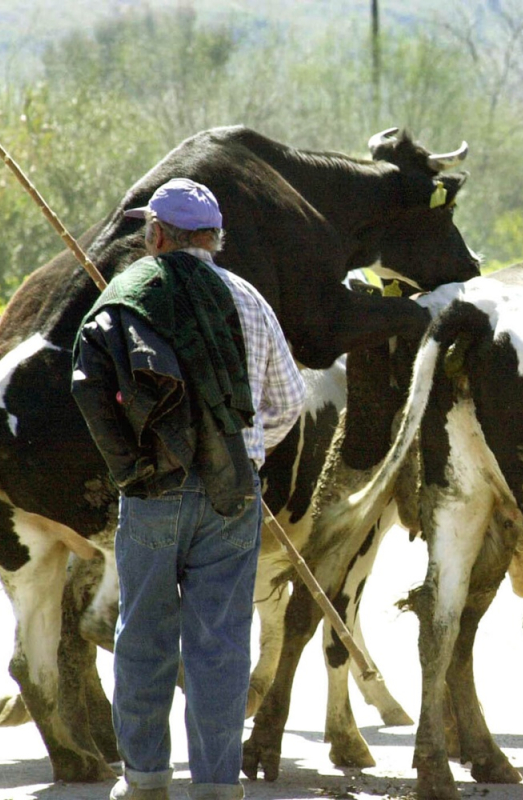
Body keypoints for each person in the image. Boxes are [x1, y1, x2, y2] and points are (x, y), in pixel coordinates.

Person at [72, 177, 306, 800]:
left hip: (150, 492)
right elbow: (287, 404)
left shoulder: (128, 294)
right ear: (215, 239)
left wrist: (130, 462)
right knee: (221, 644)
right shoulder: (249, 300)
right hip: (234, 495)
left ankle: (146, 778)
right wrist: (247, 453)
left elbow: (88, 389)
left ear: (155, 235)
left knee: (143, 634)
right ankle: (215, 785)